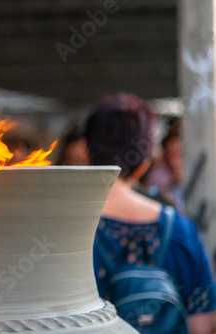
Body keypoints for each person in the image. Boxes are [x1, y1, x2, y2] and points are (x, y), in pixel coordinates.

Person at [85, 93, 216, 333]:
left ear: (89, 148)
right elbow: (203, 324)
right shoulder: (180, 229)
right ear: (145, 157)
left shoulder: (70, 229)